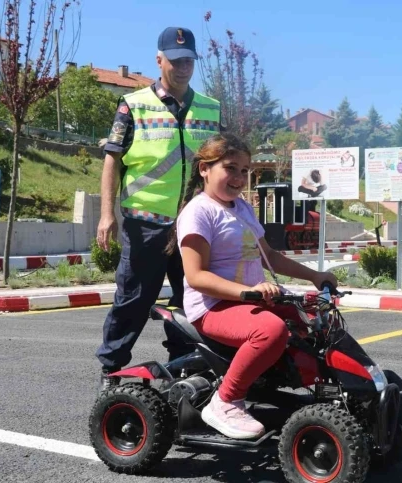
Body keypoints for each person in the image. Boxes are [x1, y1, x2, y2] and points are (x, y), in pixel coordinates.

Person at [169, 133, 338, 440]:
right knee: (270, 331)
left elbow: (269, 256)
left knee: (312, 313)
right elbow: (196, 277)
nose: (239, 177)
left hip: (246, 300)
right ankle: (225, 401)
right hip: (213, 306)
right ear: (205, 169)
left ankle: (327, 390)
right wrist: (249, 292)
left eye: (244, 170)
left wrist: (314, 276)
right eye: (231, 168)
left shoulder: (241, 208)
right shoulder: (199, 211)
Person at [95, 26, 222, 393]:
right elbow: (112, 161)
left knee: (193, 302)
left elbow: (218, 165)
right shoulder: (133, 104)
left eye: (189, 61)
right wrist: (107, 215)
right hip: (145, 224)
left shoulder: (210, 108)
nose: (183, 67)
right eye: (176, 60)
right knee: (133, 301)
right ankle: (112, 371)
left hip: (193, 225)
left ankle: (183, 370)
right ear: (159, 59)